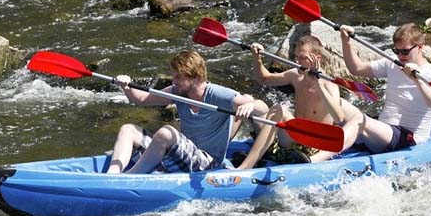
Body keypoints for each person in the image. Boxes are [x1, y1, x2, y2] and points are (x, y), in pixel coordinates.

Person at [106, 50, 267, 174]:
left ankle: (130, 177)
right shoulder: (177, 91)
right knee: (128, 129)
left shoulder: (218, 94)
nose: (174, 81)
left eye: (178, 77)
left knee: (166, 133)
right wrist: (126, 86)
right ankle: (112, 175)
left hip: (208, 163)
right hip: (184, 156)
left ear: (196, 78)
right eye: (173, 76)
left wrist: (251, 106)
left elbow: (262, 108)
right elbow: (142, 99)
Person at [234, 35, 344, 169]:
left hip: (312, 145)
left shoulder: (329, 84)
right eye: (296, 56)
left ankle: (246, 166)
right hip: (293, 138)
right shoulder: (295, 75)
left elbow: (339, 118)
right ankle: (229, 154)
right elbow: (264, 79)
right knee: (251, 104)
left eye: (303, 58)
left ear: (317, 59)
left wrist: (318, 83)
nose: (297, 61)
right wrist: (257, 58)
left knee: (278, 109)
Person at [332, 22, 431, 152]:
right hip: (384, 132)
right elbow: (356, 69)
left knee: (358, 119)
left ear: (420, 47)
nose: (400, 56)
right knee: (335, 102)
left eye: (405, 51)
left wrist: (417, 80)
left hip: (408, 139)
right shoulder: (392, 63)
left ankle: (320, 157)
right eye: (396, 51)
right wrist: (346, 41)